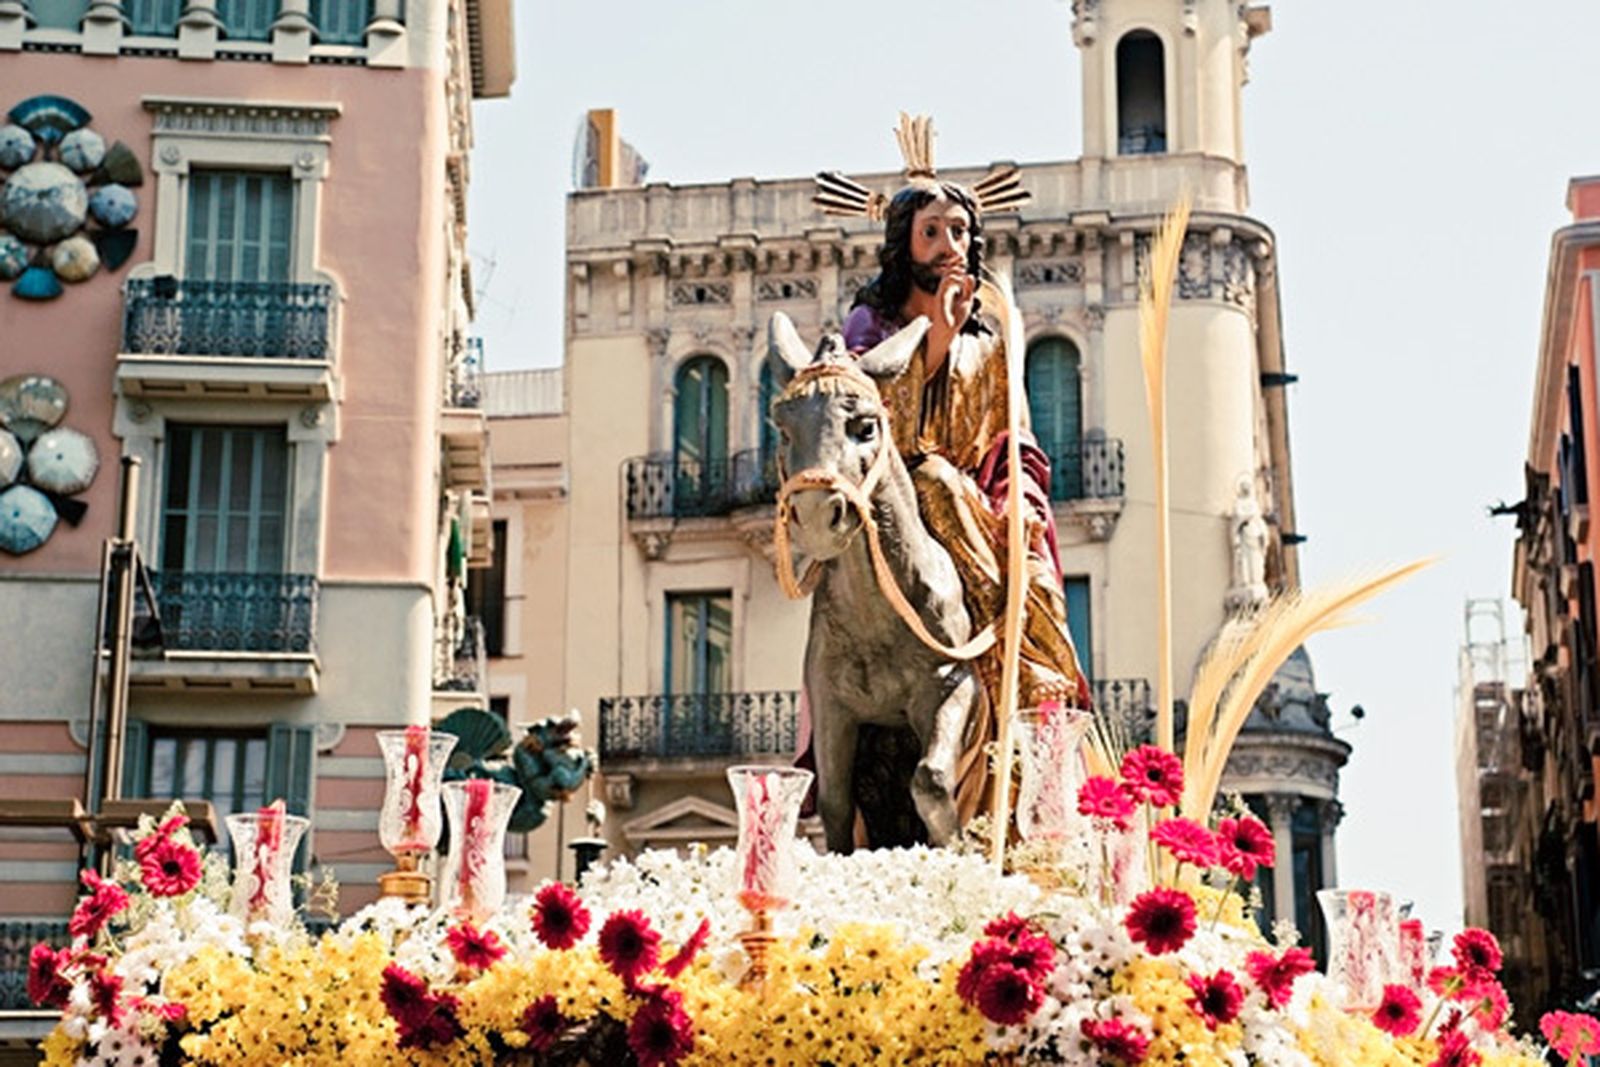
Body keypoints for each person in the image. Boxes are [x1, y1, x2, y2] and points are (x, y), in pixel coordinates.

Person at [836, 169, 1090, 822]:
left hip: (981, 513)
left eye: (959, 231)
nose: (949, 244)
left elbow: (1016, 441)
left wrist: (1021, 507)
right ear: (904, 244)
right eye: (932, 232)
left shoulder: (993, 341)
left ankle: (1034, 719)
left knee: (1033, 578)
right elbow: (868, 420)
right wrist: (935, 339)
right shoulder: (870, 324)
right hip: (896, 509)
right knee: (931, 480)